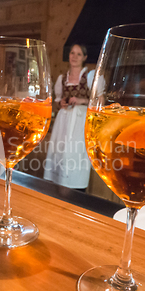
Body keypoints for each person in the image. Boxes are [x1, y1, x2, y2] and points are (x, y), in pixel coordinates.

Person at [44, 44, 101, 190]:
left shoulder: (90, 76)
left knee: (76, 152)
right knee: (61, 151)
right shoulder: (62, 78)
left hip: (80, 121)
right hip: (63, 121)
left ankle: (76, 186)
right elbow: (57, 101)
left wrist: (82, 101)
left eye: (79, 54)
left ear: (85, 57)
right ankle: (58, 185)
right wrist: (61, 102)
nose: (74, 57)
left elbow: (100, 100)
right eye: (72, 53)